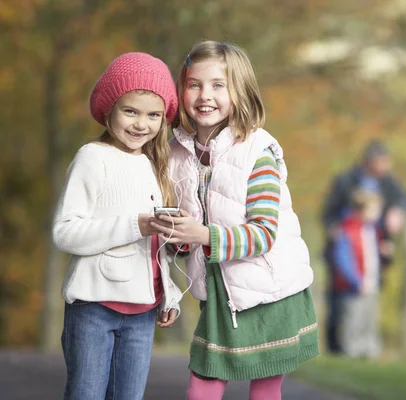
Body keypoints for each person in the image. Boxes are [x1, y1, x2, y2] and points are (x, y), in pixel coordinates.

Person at [150, 40, 318, 400]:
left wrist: (202, 233)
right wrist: (179, 236)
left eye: (217, 85)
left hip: (267, 291)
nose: (204, 95)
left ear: (238, 92)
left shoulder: (258, 153)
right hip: (217, 292)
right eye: (194, 84)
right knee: (202, 386)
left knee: (264, 389)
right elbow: (187, 234)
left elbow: (263, 234)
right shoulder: (176, 152)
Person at [52, 52, 184, 400]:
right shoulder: (93, 157)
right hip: (95, 308)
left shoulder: (155, 165)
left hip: (143, 314)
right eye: (131, 111)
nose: (142, 124)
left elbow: (156, 249)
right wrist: (135, 225)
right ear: (109, 109)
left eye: (153, 115)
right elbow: (65, 232)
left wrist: (168, 293)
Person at [322, 139, 406, 354]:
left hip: (372, 248)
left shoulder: (389, 183)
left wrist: (397, 211)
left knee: (369, 306)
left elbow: (404, 200)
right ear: (369, 162)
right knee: (342, 307)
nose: (384, 167)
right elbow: (329, 212)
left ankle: (367, 349)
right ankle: (340, 349)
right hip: (348, 249)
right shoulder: (346, 181)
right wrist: (336, 230)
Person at [331, 189, 384, 358]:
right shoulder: (347, 230)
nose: (377, 214)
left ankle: (369, 353)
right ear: (361, 210)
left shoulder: (371, 230)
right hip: (352, 288)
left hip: (371, 285)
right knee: (353, 322)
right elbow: (342, 259)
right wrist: (356, 281)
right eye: (374, 209)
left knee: (369, 321)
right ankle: (351, 353)